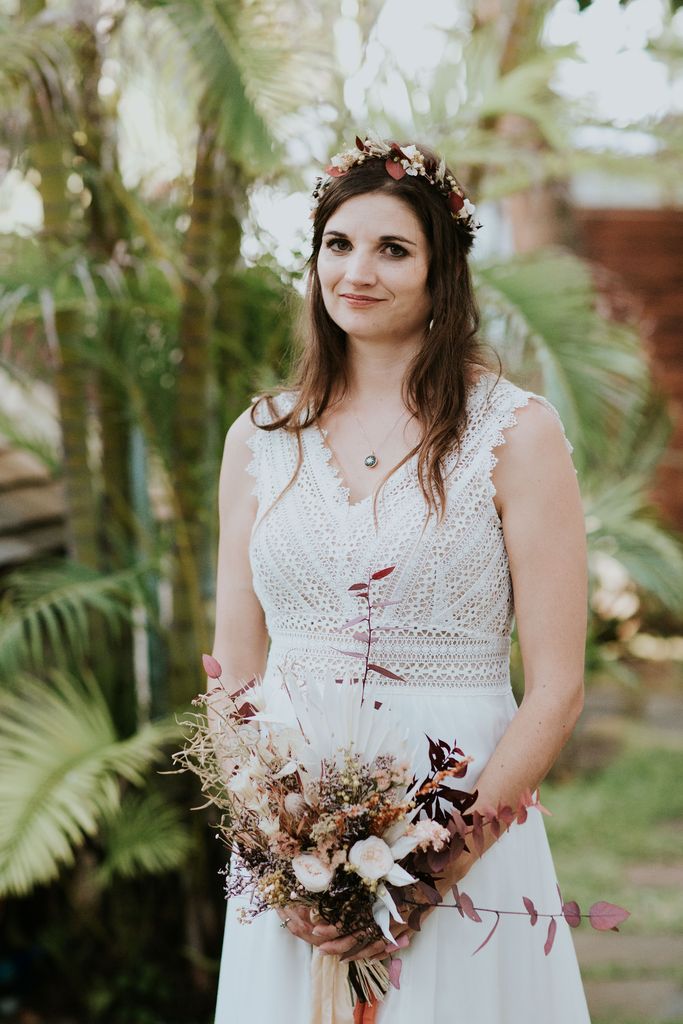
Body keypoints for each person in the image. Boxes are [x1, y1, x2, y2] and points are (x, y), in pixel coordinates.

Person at [211, 135, 591, 1023]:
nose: (358, 271)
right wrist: (276, 847)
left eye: (393, 249)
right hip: (289, 839)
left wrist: (437, 864)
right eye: (338, 244)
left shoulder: (517, 434)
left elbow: (559, 686)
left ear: (438, 272)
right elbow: (230, 672)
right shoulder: (258, 438)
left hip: (455, 815)